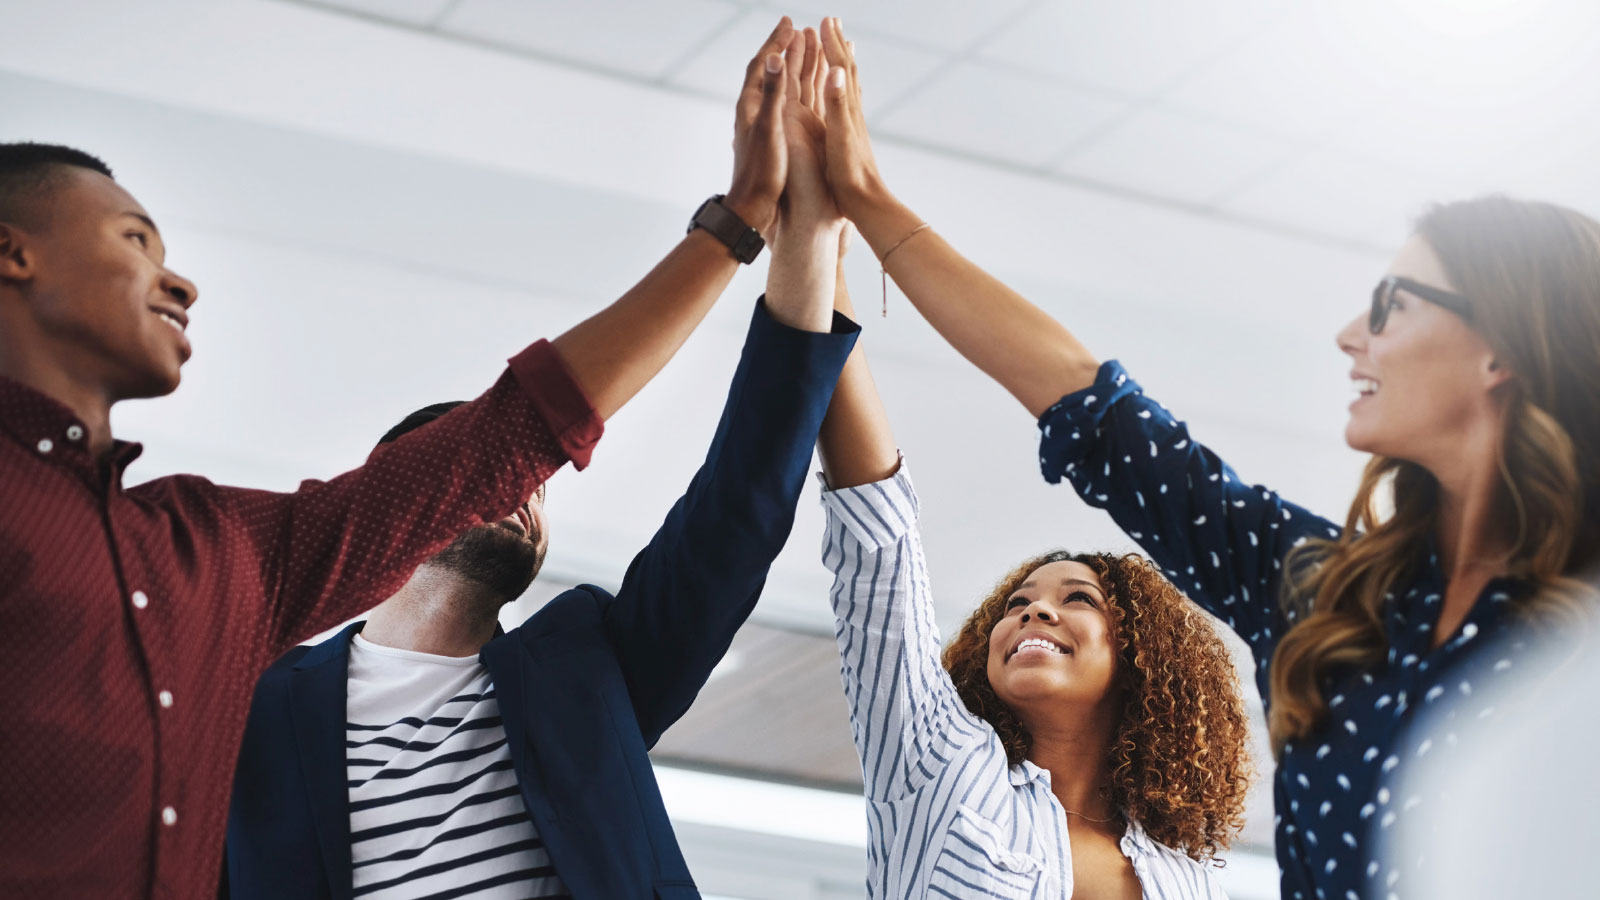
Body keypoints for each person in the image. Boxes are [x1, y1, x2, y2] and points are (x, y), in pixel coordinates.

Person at [0, 17, 809, 898]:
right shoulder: (257, 694)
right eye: (132, 240)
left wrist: (749, 226)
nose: (180, 280)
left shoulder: (217, 555)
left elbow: (593, 453)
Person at [807, 16, 1600, 899]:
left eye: (1393, 305)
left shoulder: (1577, 638)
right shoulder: (1330, 596)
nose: (1351, 336)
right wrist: (865, 201)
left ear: (1504, 351)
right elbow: (1090, 406)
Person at [223, 28, 860, 897]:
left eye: (536, 486)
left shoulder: (586, 665)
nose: (526, 489)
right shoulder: (252, 708)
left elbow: (737, 509)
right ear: (397, 485)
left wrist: (809, 234)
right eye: (495, 472)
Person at [792, 27, 1251, 899]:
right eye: (1017, 604)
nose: (1032, 612)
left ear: (1144, 659)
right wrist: (822, 251)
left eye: (1075, 599)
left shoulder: (1189, 879)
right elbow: (878, 555)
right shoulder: (936, 768)